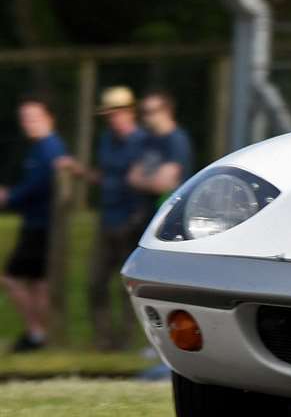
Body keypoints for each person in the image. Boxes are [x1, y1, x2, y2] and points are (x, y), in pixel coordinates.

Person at [59, 87, 151, 351]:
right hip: (108, 219)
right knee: (95, 281)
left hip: (132, 220)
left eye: (116, 113)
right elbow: (107, 177)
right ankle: (105, 339)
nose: (112, 119)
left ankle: (129, 340)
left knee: (128, 285)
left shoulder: (144, 142)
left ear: (129, 113)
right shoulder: (106, 140)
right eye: (108, 114)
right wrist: (81, 172)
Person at [0, 98, 68, 352]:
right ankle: (41, 335)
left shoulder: (48, 149)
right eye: (25, 118)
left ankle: (36, 332)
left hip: (40, 227)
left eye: (34, 117)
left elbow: (38, 187)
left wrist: (9, 197)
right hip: (37, 224)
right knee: (38, 282)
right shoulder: (42, 148)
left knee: (12, 277)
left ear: (49, 118)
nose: (28, 123)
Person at [130, 90, 194, 203]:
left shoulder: (177, 140)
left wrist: (143, 181)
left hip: (168, 210)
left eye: (150, 112)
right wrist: (151, 182)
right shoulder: (146, 140)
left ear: (167, 111)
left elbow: (162, 184)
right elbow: (132, 179)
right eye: (143, 112)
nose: (145, 117)